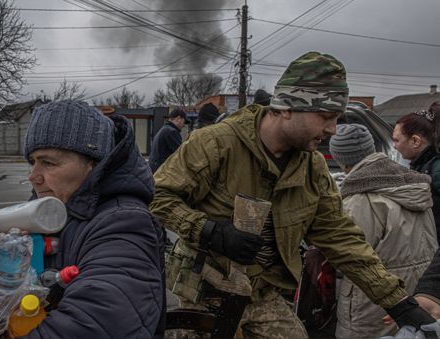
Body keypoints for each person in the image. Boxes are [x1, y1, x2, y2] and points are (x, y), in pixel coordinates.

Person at [151, 51, 436, 338]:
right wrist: (209, 231)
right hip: (203, 294)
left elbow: (340, 237)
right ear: (287, 107)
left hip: (262, 295)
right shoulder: (215, 144)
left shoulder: (312, 168)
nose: (332, 130)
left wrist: (398, 302)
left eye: (336, 118)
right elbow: (157, 196)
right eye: (326, 117)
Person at [0, 100, 166, 338]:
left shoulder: (125, 224)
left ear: (93, 164)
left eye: (48, 162)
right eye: (33, 162)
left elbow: (96, 323)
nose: (33, 176)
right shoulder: (56, 208)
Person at [329, 124, 438, 338]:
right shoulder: (412, 183)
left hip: (373, 301)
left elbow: (350, 253)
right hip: (418, 292)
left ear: (341, 159)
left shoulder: (361, 199)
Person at [393, 101, 440, 242]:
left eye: (396, 140)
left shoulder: (436, 169)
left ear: (415, 141)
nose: (394, 146)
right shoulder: (424, 165)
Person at [149, 108, 188, 173]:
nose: (184, 125)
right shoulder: (171, 132)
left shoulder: (164, 129)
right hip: (162, 172)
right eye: (184, 122)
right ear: (179, 119)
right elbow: (181, 154)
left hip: (155, 170)